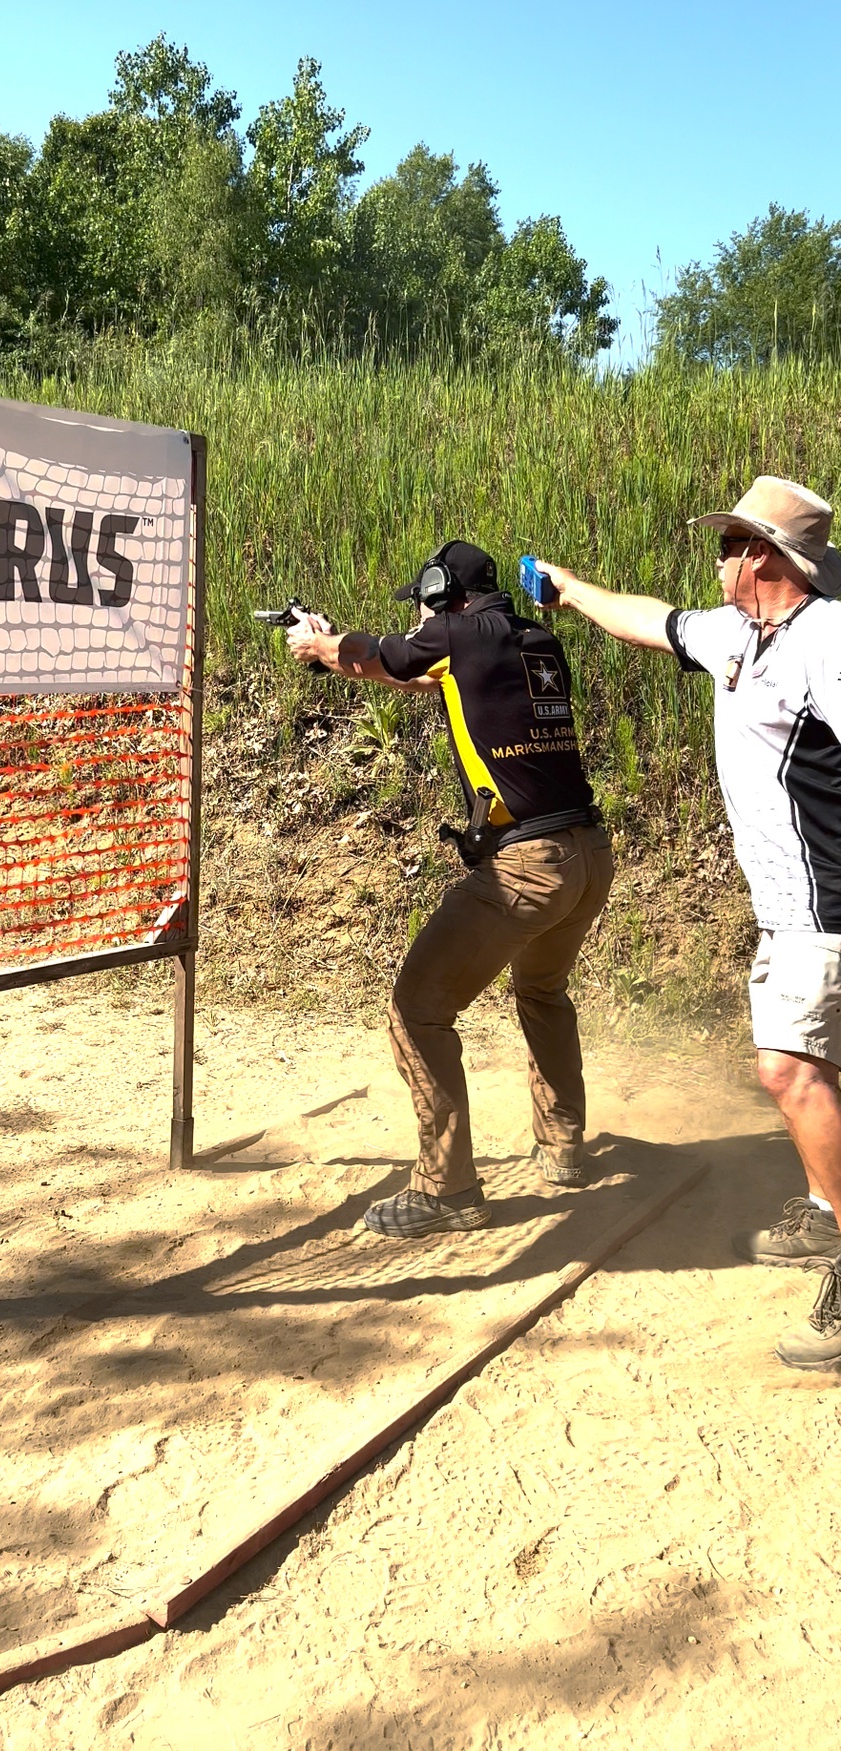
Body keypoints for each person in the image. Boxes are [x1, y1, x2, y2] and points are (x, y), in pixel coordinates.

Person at [539, 476, 841, 1371]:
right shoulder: (740, 634)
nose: (716, 559)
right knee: (809, 1067)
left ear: (767, 559)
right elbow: (651, 619)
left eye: (730, 544)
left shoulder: (825, 640)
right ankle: (827, 1212)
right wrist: (566, 587)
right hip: (789, 909)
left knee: (788, 1070)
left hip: (827, 902)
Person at [287, 540, 613, 1239]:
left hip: (527, 867)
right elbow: (420, 675)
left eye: (427, 602)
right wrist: (337, 649)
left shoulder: (458, 633)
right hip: (586, 857)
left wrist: (319, 647)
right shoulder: (534, 641)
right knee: (543, 992)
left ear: (442, 596)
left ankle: (446, 1192)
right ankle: (563, 1147)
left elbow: (394, 649)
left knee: (417, 1008)